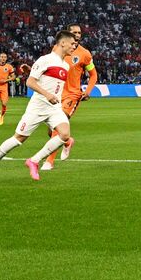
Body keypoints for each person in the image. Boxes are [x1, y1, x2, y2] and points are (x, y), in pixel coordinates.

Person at [0, 31, 77, 185]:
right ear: (63, 43)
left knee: (65, 135)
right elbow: (30, 82)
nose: (75, 46)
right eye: (72, 43)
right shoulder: (46, 59)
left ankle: (34, 161)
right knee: (18, 139)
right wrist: (47, 94)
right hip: (38, 107)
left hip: (54, 107)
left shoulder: (66, 65)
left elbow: (45, 79)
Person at [42, 23, 99, 170]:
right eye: (74, 32)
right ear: (67, 34)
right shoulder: (57, 49)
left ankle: (49, 162)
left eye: (79, 32)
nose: (78, 35)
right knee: (52, 130)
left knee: (57, 127)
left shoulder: (85, 54)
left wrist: (88, 91)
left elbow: (93, 75)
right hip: (57, 94)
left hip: (72, 95)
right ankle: (67, 142)